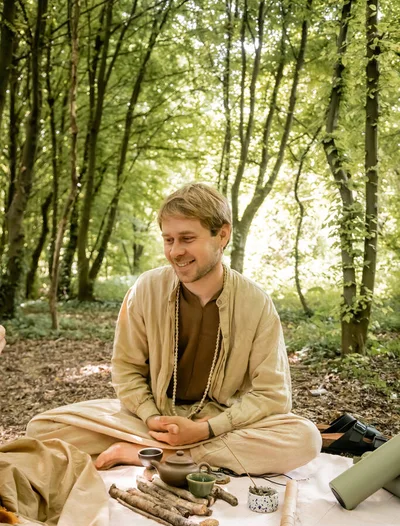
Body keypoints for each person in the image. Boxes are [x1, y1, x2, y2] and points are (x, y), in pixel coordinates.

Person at [27, 183, 321, 475]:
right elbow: (126, 368)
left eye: (187, 238)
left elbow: (272, 394)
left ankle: (150, 455)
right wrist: (150, 415)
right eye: (169, 240)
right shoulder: (146, 289)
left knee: (305, 438)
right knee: (42, 429)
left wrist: (205, 429)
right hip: (151, 420)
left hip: (219, 423)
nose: (176, 251)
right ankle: (170, 452)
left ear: (222, 235)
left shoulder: (256, 303)